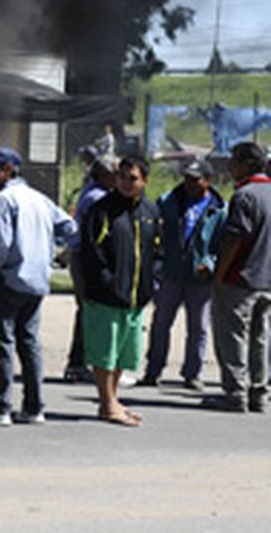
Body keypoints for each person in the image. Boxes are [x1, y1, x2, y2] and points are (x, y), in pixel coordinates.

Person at [0, 148, 75, 427]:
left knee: (2, 343)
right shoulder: (40, 199)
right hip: (37, 281)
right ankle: (33, 407)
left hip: (9, 279)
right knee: (29, 344)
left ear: (8, 169)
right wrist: (50, 252)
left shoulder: (5, 199)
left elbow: (1, 243)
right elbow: (70, 228)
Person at [79, 156, 159, 427]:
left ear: (144, 181)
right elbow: (92, 253)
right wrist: (108, 283)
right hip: (107, 298)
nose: (126, 183)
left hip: (136, 299)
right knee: (105, 352)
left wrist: (150, 283)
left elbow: (156, 251)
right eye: (122, 177)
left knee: (124, 353)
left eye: (133, 178)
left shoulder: (150, 212)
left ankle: (112, 400)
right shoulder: (102, 210)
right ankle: (107, 403)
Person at [139, 159, 226, 391]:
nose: (189, 183)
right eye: (187, 178)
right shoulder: (168, 202)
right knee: (160, 323)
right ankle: (153, 370)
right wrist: (157, 262)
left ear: (208, 181)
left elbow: (223, 245)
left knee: (198, 328)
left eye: (195, 179)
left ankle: (192, 373)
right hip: (171, 273)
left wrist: (210, 263)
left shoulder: (219, 209)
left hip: (200, 278)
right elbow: (154, 233)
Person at [205, 142, 271, 413]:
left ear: (246, 164)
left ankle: (235, 393)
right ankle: (260, 391)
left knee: (233, 336)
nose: (230, 166)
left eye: (233, 160)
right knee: (261, 337)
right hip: (267, 279)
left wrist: (219, 275)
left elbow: (234, 239)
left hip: (240, 278)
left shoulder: (245, 196)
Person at [63, 156, 118, 383]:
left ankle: (83, 363)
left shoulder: (94, 193)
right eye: (115, 174)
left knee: (89, 310)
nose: (118, 179)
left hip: (83, 257)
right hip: (86, 259)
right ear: (103, 175)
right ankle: (79, 364)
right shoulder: (98, 197)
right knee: (90, 310)